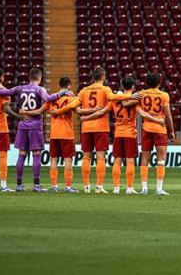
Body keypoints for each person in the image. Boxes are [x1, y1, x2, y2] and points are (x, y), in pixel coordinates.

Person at [51, 66, 141, 194]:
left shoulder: (84, 90)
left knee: (86, 157)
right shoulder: (105, 89)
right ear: (103, 77)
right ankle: (99, 186)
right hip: (100, 127)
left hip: (86, 127)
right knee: (100, 157)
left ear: (93, 77)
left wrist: (58, 111)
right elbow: (113, 97)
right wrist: (128, 96)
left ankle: (86, 186)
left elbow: (72, 105)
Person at [0, 68, 70, 192]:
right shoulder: (39, 89)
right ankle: (36, 186)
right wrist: (61, 93)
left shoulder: (20, 88)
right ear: (39, 78)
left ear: (29, 77)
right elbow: (48, 99)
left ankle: (19, 185)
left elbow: (2, 92)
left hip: (23, 125)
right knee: (36, 154)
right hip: (35, 125)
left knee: (22, 155)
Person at [82, 76, 165, 195]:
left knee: (117, 160)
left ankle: (116, 188)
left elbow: (101, 112)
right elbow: (141, 113)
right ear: (133, 87)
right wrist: (157, 120)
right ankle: (129, 188)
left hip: (118, 134)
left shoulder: (114, 101)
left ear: (122, 86)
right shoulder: (136, 100)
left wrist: (86, 118)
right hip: (130, 133)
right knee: (130, 161)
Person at [138, 73, 175, 195]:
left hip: (146, 128)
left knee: (145, 158)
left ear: (147, 83)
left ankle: (144, 188)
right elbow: (168, 115)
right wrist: (172, 131)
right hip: (160, 129)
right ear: (159, 83)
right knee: (161, 159)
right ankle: (159, 189)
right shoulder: (164, 95)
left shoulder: (142, 94)